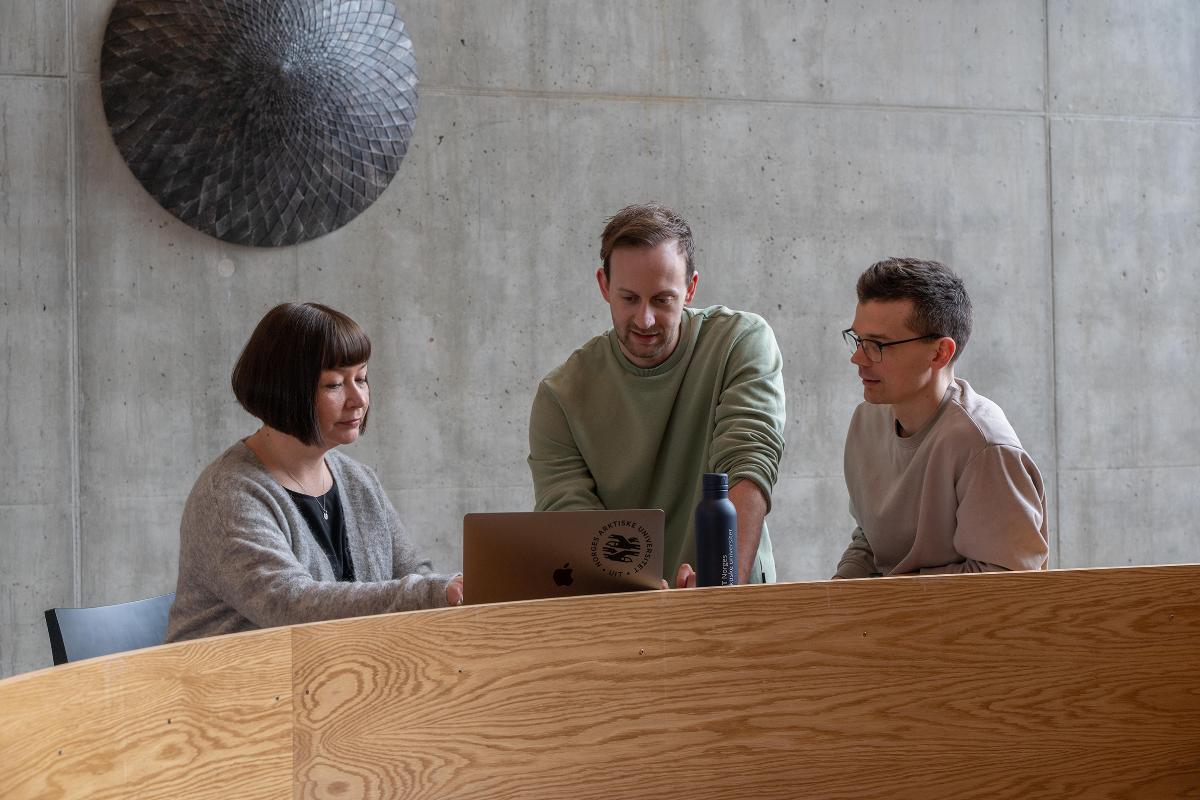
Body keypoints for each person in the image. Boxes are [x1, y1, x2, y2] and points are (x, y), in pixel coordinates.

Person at [166, 302, 463, 642]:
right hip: (236, 685)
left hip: (332, 678)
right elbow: (291, 606)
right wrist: (432, 593)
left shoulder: (358, 480)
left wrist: (455, 589)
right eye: (335, 385)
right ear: (286, 391)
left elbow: (413, 573)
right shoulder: (229, 495)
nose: (358, 399)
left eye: (362, 379)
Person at [528, 202, 786, 587]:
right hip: (622, 611)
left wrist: (722, 588)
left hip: (733, 595)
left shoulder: (740, 342)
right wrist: (642, 599)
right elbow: (573, 522)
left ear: (690, 288)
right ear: (604, 286)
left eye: (662, 300)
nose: (645, 320)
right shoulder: (561, 396)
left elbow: (748, 464)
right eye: (629, 298)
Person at [835, 258, 1048, 578]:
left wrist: (881, 600)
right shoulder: (866, 422)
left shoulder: (984, 447)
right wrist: (834, 601)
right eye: (858, 339)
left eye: (877, 345)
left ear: (939, 353)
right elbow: (871, 541)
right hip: (889, 621)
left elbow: (1009, 584)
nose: (857, 357)